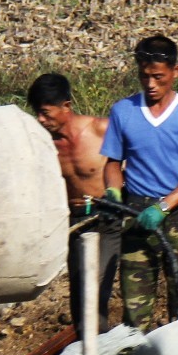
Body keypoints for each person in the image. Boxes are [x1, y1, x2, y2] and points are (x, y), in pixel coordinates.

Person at [98, 35, 178, 330]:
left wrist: (164, 206)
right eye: (144, 76)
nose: (151, 84)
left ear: (175, 72)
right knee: (135, 309)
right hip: (137, 215)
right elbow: (113, 163)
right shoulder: (123, 112)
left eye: (158, 77)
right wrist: (113, 192)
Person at [28, 72, 119, 331]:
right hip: (75, 223)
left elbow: (134, 161)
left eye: (46, 113)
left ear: (66, 106)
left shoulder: (101, 129)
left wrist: (117, 193)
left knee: (95, 288)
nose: (41, 120)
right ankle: (87, 351)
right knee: (81, 294)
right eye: (38, 113)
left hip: (108, 218)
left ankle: (102, 347)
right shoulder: (44, 144)